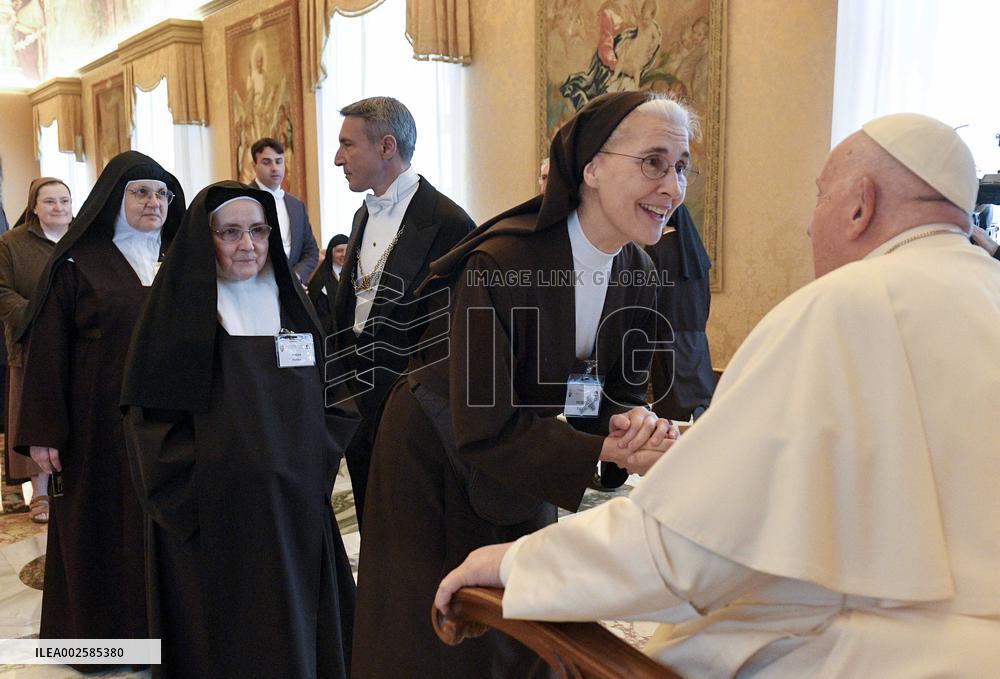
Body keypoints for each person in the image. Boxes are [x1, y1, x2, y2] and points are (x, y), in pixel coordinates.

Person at [436, 112, 1000, 676]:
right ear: (589, 172)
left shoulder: (844, 304)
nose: (808, 226)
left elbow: (688, 548)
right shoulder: (982, 286)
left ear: (860, 206)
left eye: (820, 196)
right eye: (654, 164)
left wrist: (523, 565)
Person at [353, 91, 691, 677]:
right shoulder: (504, 261)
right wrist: (604, 445)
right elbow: (484, 422)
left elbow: (612, 392)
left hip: (526, 450)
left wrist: (631, 425)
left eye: (682, 167)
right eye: (655, 162)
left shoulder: (639, 271)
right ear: (590, 167)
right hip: (435, 448)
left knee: (521, 617)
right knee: (430, 629)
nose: (673, 187)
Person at [120, 181, 360, 679]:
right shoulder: (175, 320)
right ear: (204, 239)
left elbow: (335, 396)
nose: (247, 245)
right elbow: (152, 424)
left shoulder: (294, 306)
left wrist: (309, 465)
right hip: (213, 516)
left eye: (257, 231)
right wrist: (205, 485)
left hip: (293, 509)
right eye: (230, 233)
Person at [13, 152, 184, 654]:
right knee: (101, 531)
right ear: (114, 199)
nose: (153, 203)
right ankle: (106, 646)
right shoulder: (77, 263)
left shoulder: (181, 261)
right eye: (140, 193)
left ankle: (169, 639)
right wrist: (44, 431)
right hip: (96, 429)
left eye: (161, 194)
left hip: (173, 426)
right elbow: (47, 350)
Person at [330, 96, 474, 525]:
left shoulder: (450, 222)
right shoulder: (362, 214)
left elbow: (454, 331)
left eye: (347, 145)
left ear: (387, 146)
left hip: (412, 412)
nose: (338, 158)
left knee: (413, 534)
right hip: (357, 407)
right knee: (373, 526)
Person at [0, 177, 72, 522]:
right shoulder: (12, 244)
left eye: (64, 201)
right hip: (29, 342)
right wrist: (36, 317)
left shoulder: (82, 240)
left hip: (75, 342)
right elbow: (1, 292)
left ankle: (70, 485)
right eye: (50, 202)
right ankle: (39, 493)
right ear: (34, 206)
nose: (58, 208)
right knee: (32, 413)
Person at [645, 202, 716, 422]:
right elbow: (706, 300)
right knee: (699, 402)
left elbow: (648, 301)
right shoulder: (697, 253)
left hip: (666, 340)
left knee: (671, 411)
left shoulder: (656, 249)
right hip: (697, 342)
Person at [250, 137, 319, 282]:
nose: (274, 168)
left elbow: (311, 251)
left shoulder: (296, 205)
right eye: (266, 162)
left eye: (279, 161)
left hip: (292, 285)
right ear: (254, 165)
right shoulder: (244, 200)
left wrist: (296, 277)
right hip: (256, 283)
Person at [307, 232, 348, 335]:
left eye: (347, 250)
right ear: (331, 253)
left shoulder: (355, 273)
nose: (344, 254)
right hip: (329, 335)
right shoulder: (321, 278)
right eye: (339, 251)